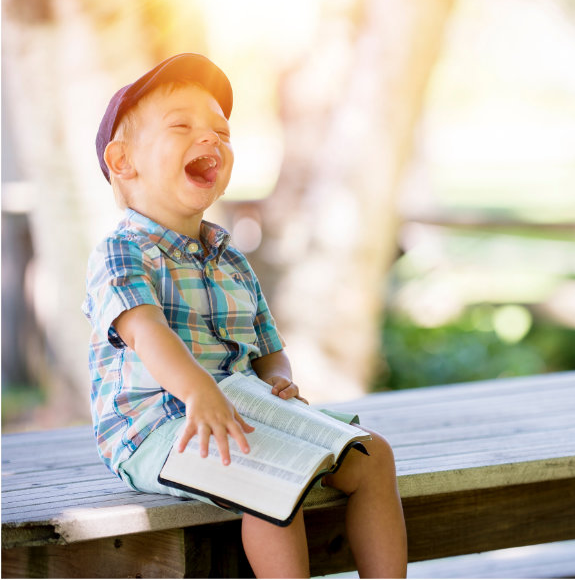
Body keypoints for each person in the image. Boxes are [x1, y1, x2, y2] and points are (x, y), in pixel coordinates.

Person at [83, 53, 407, 578]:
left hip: (241, 407)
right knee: (272, 478)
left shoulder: (229, 256)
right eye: (182, 126)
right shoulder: (122, 251)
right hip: (156, 428)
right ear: (123, 161)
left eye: (221, 131)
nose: (209, 138)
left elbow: (267, 346)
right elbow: (146, 330)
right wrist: (199, 391)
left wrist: (278, 378)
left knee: (374, 457)